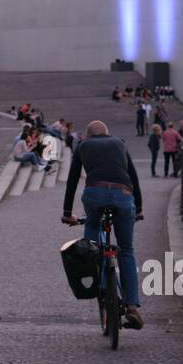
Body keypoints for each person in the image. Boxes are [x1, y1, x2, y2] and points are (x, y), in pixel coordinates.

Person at [61, 120, 144, 329]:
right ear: (107, 134)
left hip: (95, 196)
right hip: (123, 195)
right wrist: (139, 208)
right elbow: (133, 177)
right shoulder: (120, 143)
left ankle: (100, 278)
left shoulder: (82, 146)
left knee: (93, 239)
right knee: (126, 249)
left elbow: (72, 181)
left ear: (88, 136)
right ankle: (132, 306)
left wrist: (67, 213)